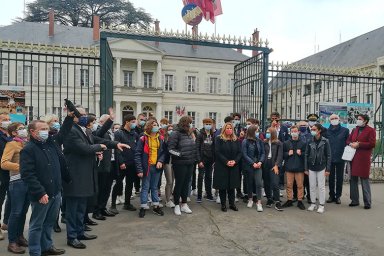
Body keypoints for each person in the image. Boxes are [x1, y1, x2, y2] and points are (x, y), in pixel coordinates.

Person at [62, 107, 127, 249]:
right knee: (73, 209)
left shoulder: (85, 130)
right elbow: (84, 148)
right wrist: (100, 147)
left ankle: (80, 232)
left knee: (81, 207)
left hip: (85, 174)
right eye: (82, 114)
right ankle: (72, 237)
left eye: (86, 114)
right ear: (73, 116)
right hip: (75, 175)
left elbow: (97, 139)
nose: (85, 117)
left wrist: (116, 144)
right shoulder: (70, 131)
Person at [20, 115, 74, 256]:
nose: (46, 131)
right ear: (32, 132)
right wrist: (39, 192)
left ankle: (47, 247)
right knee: (37, 225)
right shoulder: (28, 149)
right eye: (42, 129)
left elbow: (63, 132)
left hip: (55, 191)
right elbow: (28, 174)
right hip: (42, 194)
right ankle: (35, 251)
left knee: (49, 223)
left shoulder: (51, 143)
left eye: (47, 129)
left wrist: (69, 117)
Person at [1, 122, 29, 253]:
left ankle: (19, 236)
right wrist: (21, 168)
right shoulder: (11, 144)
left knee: (23, 212)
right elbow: (4, 163)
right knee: (16, 212)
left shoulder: (27, 143)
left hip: (29, 181)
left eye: (24, 128)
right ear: (14, 133)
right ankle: (11, 242)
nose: (24, 130)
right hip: (17, 181)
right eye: (20, 129)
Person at [135, 119, 165, 218]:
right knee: (145, 187)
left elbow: (163, 152)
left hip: (156, 167)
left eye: (157, 125)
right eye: (154, 125)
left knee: (155, 187)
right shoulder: (143, 139)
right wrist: (139, 169)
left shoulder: (160, 138)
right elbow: (138, 154)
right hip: (146, 168)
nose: (156, 127)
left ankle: (156, 206)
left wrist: (160, 161)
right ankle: (143, 206)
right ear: (149, 127)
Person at [168, 116, 197, 216]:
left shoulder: (189, 133)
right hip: (179, 163)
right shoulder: (175, 133)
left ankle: (184, 204)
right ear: (184, 123)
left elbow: (193, 147)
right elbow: (170, 149)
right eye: (189, 123)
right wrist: (180, 154)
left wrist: (194, 157)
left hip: (190, 162)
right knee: (179, 183)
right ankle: (176, 204)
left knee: (186, 183)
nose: (190, 124)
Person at [347, 114, 375, 209]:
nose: (358, 120)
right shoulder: (355, 129)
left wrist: (359, 144)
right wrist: (351, 143)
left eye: (360, 119)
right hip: (353, 157)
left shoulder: (371, 130)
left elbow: (372, 143)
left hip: (363, 159)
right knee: (353, 179)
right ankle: (354, 200)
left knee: (364, 180)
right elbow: (348, 140)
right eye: (357, 119)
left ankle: (367, 202)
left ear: (365, 121)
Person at [112, 114, 139, 213]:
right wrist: (121, 162)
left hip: (132, 163)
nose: (134, 124)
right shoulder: (119, 133)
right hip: (122, 163)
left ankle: (127, 203)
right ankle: (113, 205)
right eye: (132, 122)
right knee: (118, 183)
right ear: (127, 122)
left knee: (129, 184)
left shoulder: (134, 133)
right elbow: (117, 148)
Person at [92, 113, 117, 219]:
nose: (110, 124)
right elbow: (99, 134)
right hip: (102, 165)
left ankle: (103, 208)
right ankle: (96, 211)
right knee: (101, 188)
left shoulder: (110, 132)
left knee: (107, 187)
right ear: (101, 122)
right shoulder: (98, 131)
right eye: (107, 122)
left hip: (111, 162)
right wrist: (110, 120)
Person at [214, 122, 242, 212]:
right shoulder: (219, 139)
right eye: (227, 128)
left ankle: (232, 204)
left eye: (230, 128)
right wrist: (226, 161)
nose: (229, 130)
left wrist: (235, 161)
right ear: (224, 129)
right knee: (223, 186)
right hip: (222, 165)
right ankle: (223, 204)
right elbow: (217, 152)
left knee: (232, 185)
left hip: (234, 165)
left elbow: (240, 152)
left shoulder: (236, 139)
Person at [305, 123, 331, 214]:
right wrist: (306, 168)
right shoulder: (309, 141)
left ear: (319, 130)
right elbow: (306, 155)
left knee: (321, 187)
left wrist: (328, 169)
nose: (312, 131)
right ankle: (313, 203)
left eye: (314, 129)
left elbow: (328, 155)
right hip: (311, 167)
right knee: (312, 186)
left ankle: (321, 205)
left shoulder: (325, 141)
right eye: (312, 129)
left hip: (321, 166)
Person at [326, 114, 349, 204]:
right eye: (332, 118)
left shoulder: (345, 131)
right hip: (330, 158)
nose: (334, 120)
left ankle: (338, 196)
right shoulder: (327, 132)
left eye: (336, 118)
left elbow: (348, 143)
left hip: (341, 157)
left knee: (339, 178)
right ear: (329, 121)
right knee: (330, 178)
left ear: (339, 120)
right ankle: (331, 195)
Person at [281, 126, 306, 210]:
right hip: (289, 167)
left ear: (298, 132)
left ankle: (300, 200)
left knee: (300, 185)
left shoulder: (303, 143)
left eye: (295, 131)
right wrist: (288, 153)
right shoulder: (286, 143)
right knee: (289, 185)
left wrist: (301, 153)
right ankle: (289, 200)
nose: (294, 133)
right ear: (290, 132)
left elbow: (306, 155)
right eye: (292, 131)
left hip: (299, 168)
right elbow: (283, 155)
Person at [241, 125, 265, 212]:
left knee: (259, 183)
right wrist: (252, 163)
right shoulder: (245, 141)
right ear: (252, 131)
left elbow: (263, 153)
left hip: (258, 165)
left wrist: (260, 162)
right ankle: (250, 199)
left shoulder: (259, 141)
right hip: (249, 165)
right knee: (249, 183)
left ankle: (259, 202)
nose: (258, 132)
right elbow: (244, 154)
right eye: (257, 131)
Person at [262, 127, 284, 211]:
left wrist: (276, 165)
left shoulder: (279, 143)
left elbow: (280, 155)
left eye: (269, 132)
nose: (267, 134)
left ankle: (277, 201)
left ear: (273, 133)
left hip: (274, 164)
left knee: (275, 183)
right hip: (265, 163)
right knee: (266, 183)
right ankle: (269, 199)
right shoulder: (264, 142)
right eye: (266, 132)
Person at [196, 118, 215, 203]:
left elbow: (215, 147)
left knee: (209, 177)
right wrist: (199, 161)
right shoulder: (200, 134)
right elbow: (197, 148)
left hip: (210, 159)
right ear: (203, 124)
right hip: (202, 159)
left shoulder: (213, 134)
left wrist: (214, 159)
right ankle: (199, 196)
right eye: (206, 123)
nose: (208, 125)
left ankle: (209, 194)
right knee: (200, 177)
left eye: (209, 123)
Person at [0, 113, 12, 240]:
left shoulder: (10, 135)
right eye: (4, 120)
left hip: (11, 173)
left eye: (9, 119)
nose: (7, 122)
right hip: (2, 172)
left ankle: (6, 222)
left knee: (12, 198)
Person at [164, 124, 175, 208]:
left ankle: (170, 196)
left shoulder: (176, 138)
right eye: (169, 129)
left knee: (173, 181)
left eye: (172, 129)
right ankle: (167, 200)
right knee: (169, 181)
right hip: (167, 162)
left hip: (175, 161)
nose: (170, 131)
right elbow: (165, 151)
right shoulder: (164, 139)